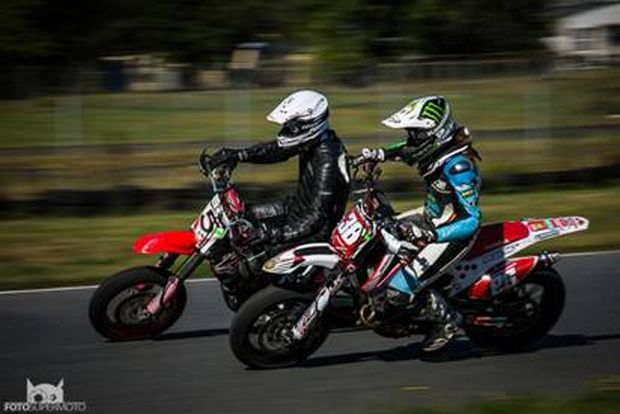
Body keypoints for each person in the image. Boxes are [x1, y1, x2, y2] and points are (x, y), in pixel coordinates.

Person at [359, 96, 481, 352]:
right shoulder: (436, 151)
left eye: (416, 133)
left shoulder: (458, 167)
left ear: (436, 133)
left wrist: (432, 235)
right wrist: (378, 154)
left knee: (397, 289)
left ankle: (447, 321)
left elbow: (472, 220)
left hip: (451, 234)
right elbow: (406, 150)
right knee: (377, 236)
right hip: (430, 217)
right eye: (410, 132)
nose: (411, 138)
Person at [208, 90, 350, 266]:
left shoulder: (328, 159)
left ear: (310, 124)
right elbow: (277, 150)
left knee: (249, 262)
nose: (286, 131)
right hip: (293, 210)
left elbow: (316, 219)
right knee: (239, 217)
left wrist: (270, 234)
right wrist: (238, 155)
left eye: (291, 127)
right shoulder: (314, 141)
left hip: (311, 232)